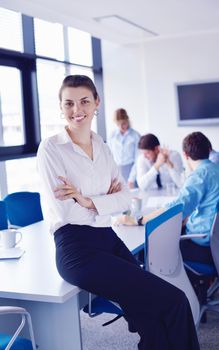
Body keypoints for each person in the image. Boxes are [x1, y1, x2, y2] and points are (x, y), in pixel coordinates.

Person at [37, 75, 200, 350]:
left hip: (108, 237)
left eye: (84, 101)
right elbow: (65, 210)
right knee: (174, 301)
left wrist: (87, 201)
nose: (77, 110)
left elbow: (125, 197)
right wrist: (104, 200)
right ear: (61, 107)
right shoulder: (51, 148)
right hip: (76, 248)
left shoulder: (102, 147)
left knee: (150, 314)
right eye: (69, 104)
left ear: (96, 103)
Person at [120, 132, 219, 267]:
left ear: (185, 155)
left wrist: (138, 220)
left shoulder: (199, 176)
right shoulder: (218, 169)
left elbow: (174, 209)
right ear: (208, 149)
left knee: (150, 248)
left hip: (203, 246)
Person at [108, 108, 140, 188]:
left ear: (127, 120)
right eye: (118, 124)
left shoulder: (135, 136)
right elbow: (109, 156)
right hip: (116, 171)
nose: (121, 127)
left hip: (131, 170)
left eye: (123, 123)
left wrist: (131, 179)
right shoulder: (112, 136)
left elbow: (137, 159)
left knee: (133, 196)